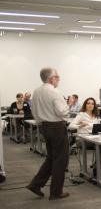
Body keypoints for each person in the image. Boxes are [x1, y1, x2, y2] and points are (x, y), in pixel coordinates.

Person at [27, 67, 70, 200]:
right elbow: (61, 112)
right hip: (57, 127)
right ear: (51, 79)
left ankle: (36, 184)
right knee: (60, 160)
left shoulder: (37, 91)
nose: (59, 79)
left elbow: (34, 111)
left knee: (51, 158)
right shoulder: (54, 92)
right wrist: (68, 104)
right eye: (57, 77)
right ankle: (56, 192)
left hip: (44, 127)